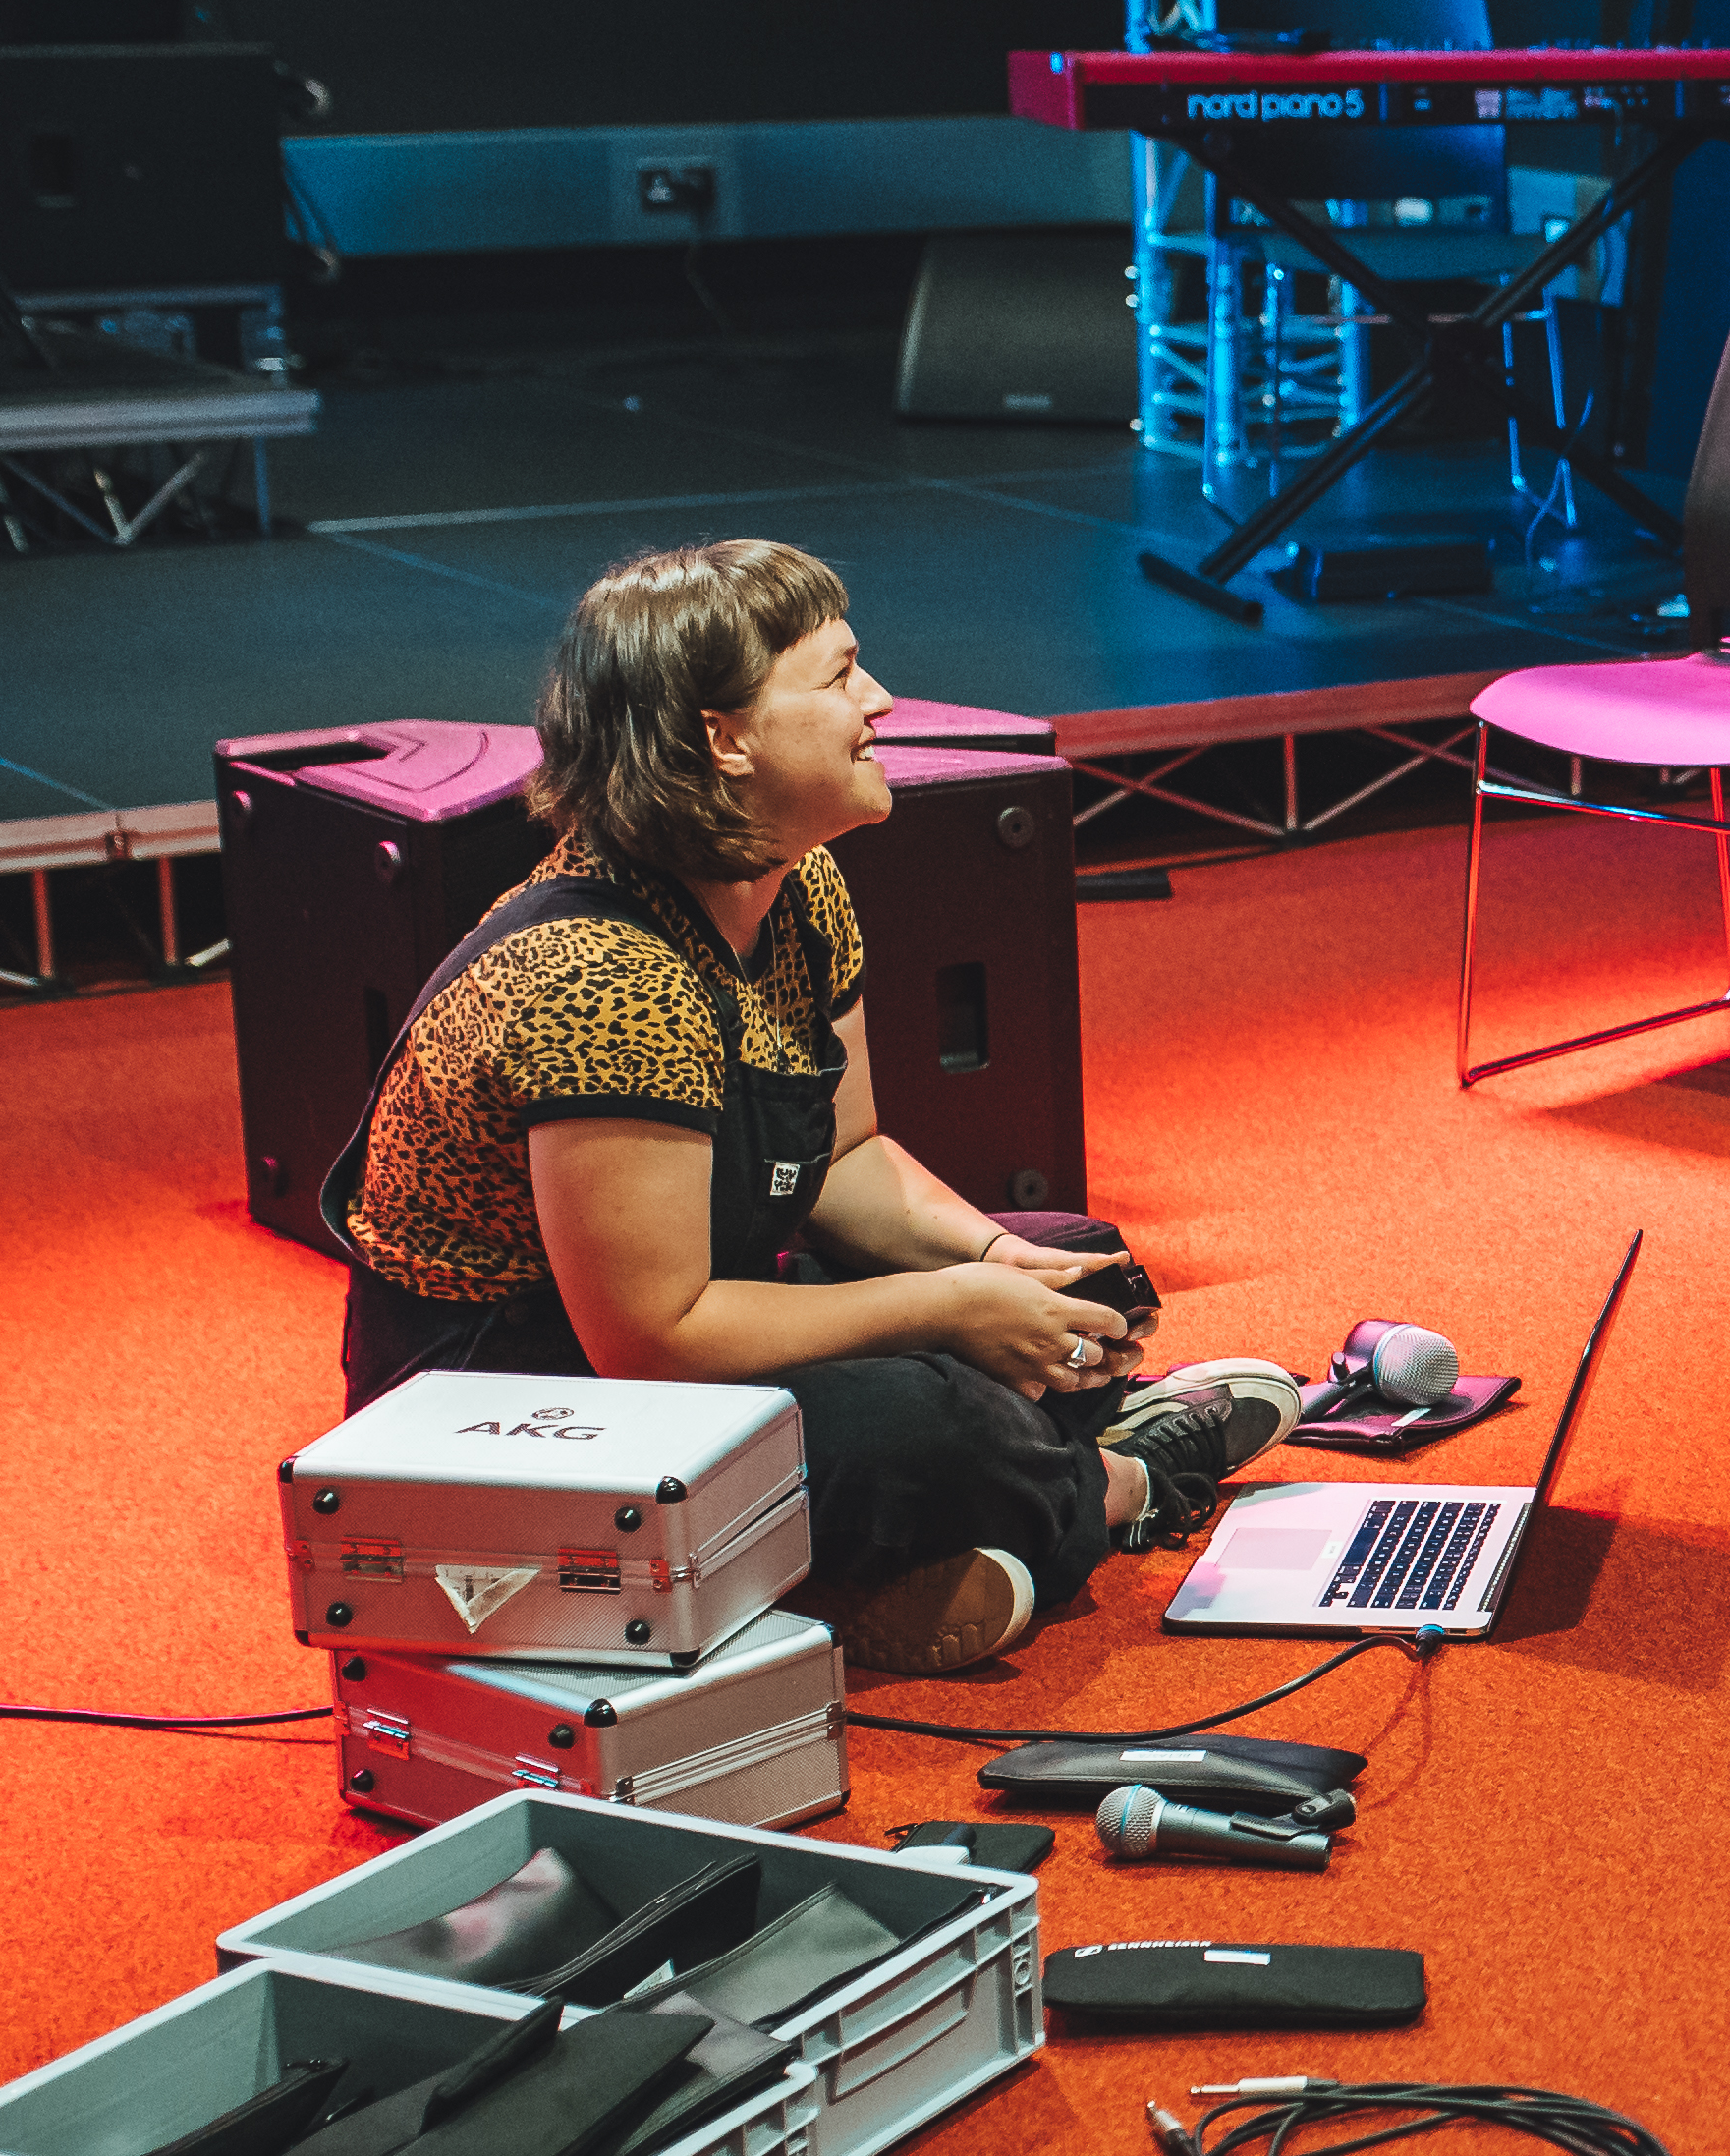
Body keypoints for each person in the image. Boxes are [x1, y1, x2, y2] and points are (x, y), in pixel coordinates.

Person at [332, 539, 1293, 1675]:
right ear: (722, 737)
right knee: (928, 1417)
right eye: (839, 677)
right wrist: (944, 1308)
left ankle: (977, 1532)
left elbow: (843, 1158)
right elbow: (652, 1336)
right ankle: (1121, 1483)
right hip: (508, 1399)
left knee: (1071, 1255)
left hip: (691, 1309)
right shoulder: (600, 977)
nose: (880, 702)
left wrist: (991, 1260)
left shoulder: (798, 882)